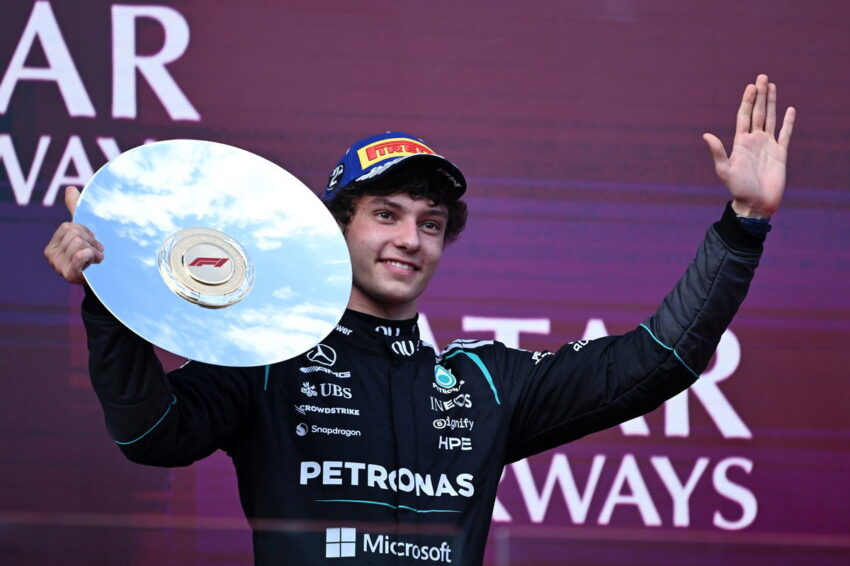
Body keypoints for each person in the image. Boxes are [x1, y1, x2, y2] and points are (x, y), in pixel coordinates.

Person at [45, 74, 794, 565]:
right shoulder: (267, 358)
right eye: (386, 214)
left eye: (430, 223)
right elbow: (152, 436)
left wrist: (744, 223)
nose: (410, 238)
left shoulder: (484, 382)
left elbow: (656, 360)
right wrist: (110, 301)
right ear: (336, 227)